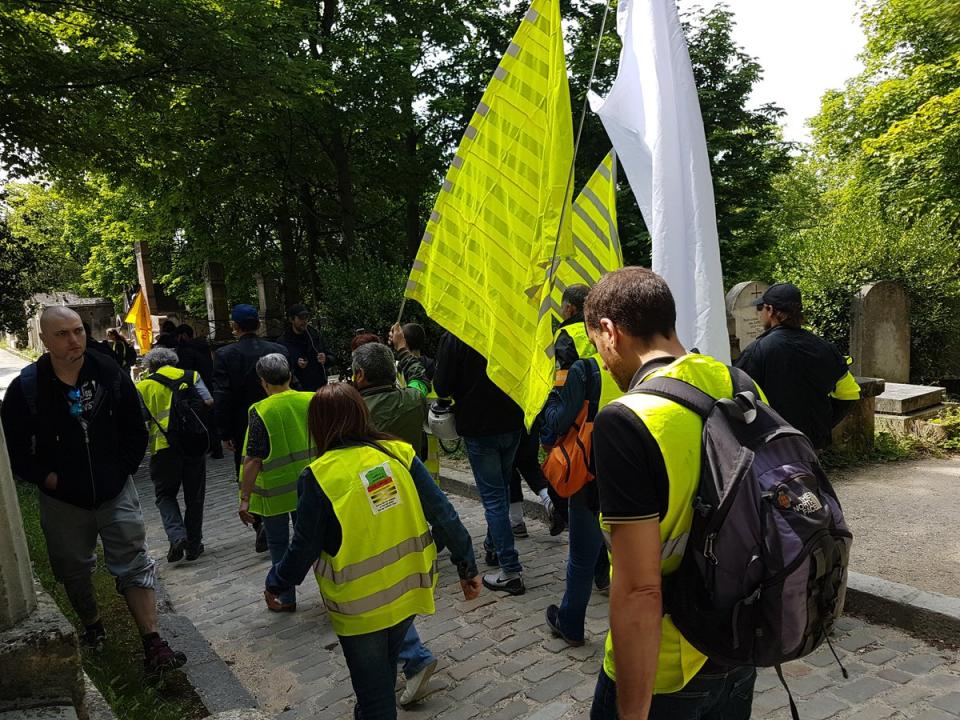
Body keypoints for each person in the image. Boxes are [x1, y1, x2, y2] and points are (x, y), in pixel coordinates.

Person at [584, 267, 757, 719]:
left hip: (667, 668)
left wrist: (633, 712)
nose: (602, 360)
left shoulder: (626, 419)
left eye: (597, 345)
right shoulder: (738, 384)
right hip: (739, 643)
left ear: (609, 330)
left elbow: (640, 589)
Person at [264, 383, 481, 719]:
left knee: (375, 694)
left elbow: (303, 547)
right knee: (380, 681)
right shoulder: (398, 453)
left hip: (360, 608)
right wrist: (467, 567)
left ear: (318, 425)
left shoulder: (319, 476)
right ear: (362, 413)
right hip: (408, 590)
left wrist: (277, 582)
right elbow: (444, 514)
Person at [1, 306, 187, 673]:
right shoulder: (27, 388)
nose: (74, 340)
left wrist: (121, 471)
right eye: (63, 334)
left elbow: (136, 427)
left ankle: (153, 642)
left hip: (115, 490)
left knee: (134, 561)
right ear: (44, 339)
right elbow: (16, 451)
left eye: (78, 331)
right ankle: (92, 625)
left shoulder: (108, 374)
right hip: (62, 501)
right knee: (73, 568)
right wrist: (51, 480)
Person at [352, 334, 439, 707]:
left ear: (358, 376)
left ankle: (411, 658)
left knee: (378, 590)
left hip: (374, 503)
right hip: (412, 496)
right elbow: (419, 376)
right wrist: (403, 350)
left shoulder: (353, 411)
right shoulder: (414, 397)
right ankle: (408, 656)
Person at [433, 332, 526, 595]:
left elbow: (442, 386)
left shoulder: (456, 334)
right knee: (502, 488)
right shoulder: (504, 326)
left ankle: (511, 570)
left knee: (494, 498)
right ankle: (494, 546)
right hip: (512, 420)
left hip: (479, 427)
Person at [540, 350, 617, 647]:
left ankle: (571, 623)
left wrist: (549, 403)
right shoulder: (644, 358)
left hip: (592, 472)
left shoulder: (587, 369)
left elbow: (560, 421)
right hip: (633, 467)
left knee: (582, 556)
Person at [735, 282, 861, 450]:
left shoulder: (757, 351)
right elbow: (850, 394)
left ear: (770, 310)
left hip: (771, 445)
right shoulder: (825, 347)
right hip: (811, 445)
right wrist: (823, 424)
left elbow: (739, 398)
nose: (760, 314)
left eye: (761, 309)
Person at [238, 354, 314, 612]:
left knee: (279, 545)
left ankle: (285, 597)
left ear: (263, 382)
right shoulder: (313, 400)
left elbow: (253, 459)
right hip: (313, 487)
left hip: (276, 494)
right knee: (318, 540)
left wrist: (245, 498)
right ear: (290, 376)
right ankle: (336, 593)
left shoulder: (261, 410)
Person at [213, 304, 292, 552]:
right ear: (258, 325)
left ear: (234, 327)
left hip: (243, 424)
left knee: (250, 469)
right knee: (285, 465)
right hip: (280, 418)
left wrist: (224, 431)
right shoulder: (278, 350)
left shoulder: (225, 355)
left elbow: (222, 395)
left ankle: (260, 520)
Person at [135, 347, 213, 563]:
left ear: (150, 366)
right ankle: (194, 545)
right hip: (193, 443)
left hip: (163, 448)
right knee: (194, 496)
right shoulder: (191, 376)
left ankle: (177, 535)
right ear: (173, 361)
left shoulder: (143, 386)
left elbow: (141, 419)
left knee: (165, 495)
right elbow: (208, 401)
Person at [279, 304, 329, 391]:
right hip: (297, 388)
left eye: (306, 318)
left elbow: (332, 356)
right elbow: (280, 368)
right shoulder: (283, 341)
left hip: (318, 387)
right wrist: (295, 363)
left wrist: (326, 358)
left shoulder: (314, 335)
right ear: (292, 319)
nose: (304, 321)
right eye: (300, 318)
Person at [175, 324, 214, 390]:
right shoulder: (203, 346)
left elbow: (185, 371)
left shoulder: (185, 350)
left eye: (178, 336)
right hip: (208, 384)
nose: (177, 339)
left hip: (195, 387)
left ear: (184, 335)